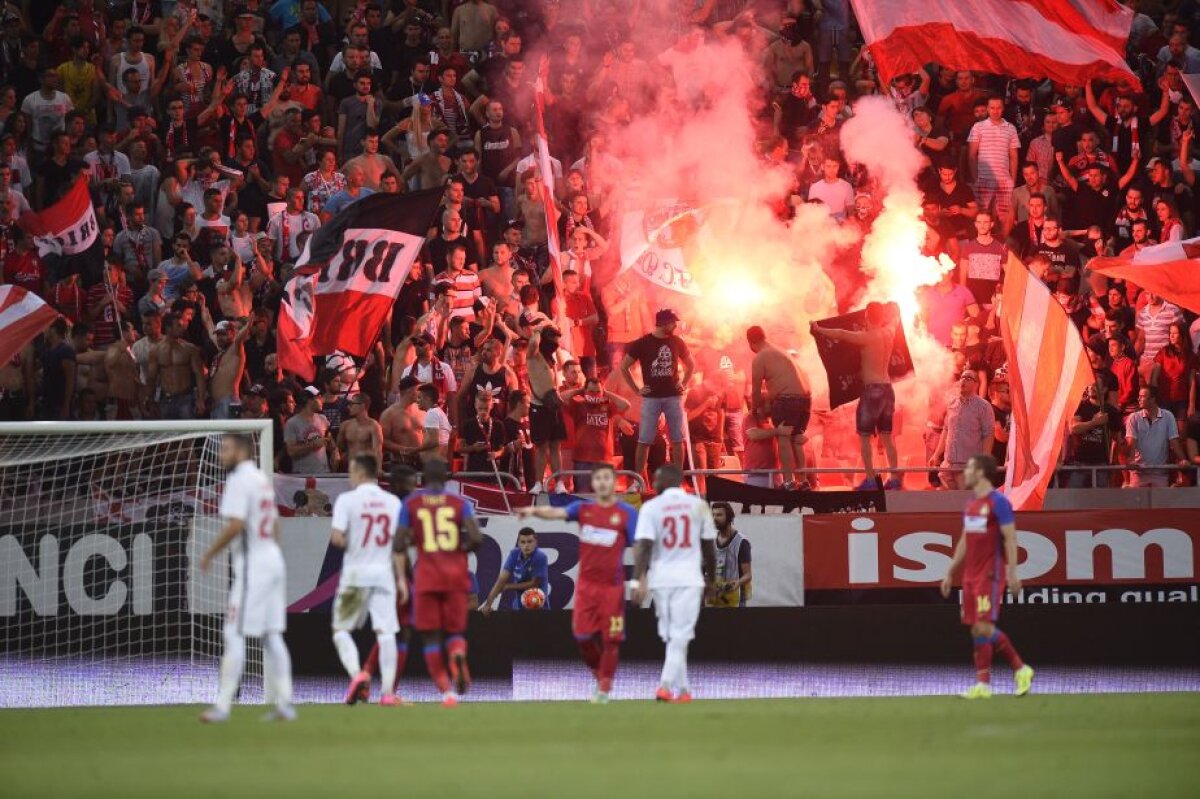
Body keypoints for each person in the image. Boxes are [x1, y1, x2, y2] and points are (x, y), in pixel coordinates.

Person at [518, 463, 638, 703]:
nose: (603, 483)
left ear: (614, 483)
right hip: (586, 586)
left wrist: (639, 579)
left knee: (610, 638)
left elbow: (641, 546)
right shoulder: (584, 509)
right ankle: (597, 673)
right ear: (593, 484)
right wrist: (532, 512)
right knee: (582, 635)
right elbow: (556, 513)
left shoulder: (626, 513)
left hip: (612, 588)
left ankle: (604, 687)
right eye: (599, 479)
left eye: (607, 478)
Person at [199, 433, 295, 722]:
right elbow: (274, 523)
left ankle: (222, 706)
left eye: (226, 449)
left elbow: (236, 524)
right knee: (271, 635)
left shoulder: (239, 479)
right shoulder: (261, 479)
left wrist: (209, 554)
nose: (221, 454)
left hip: (255, 566)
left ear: (240, 451)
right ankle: (285, 704)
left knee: (233, 632)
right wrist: (272, 554)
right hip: (272, 560)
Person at [938, 453, 1033, 700]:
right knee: (975, 630)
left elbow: (1011, 538)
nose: (965, 473)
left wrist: (1013, 572)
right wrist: (950, 571)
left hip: (991, 573)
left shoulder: (999, 502)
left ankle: (1021, 669)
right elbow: (965, 540)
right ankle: (983, 684)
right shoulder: (971, 504)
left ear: (980, 473)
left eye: (968, 468)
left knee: (983, 626)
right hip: (970, 575)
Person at [393, 458, 483, 707]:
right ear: (446, 479)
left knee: (430, 637)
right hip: (455, 575)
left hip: (427, 576)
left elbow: (398, 544)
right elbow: (477, 538)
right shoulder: (460, 503)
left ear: (422, 480)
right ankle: (457, 653)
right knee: (454, 631)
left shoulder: (411, 504)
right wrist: (460, 548)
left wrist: (416, 539)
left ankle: (447, 693)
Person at [631, 464, 717, 703]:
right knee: (680, 634)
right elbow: (709, 547)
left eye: (656, 479)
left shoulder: (650, 508)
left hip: (661, 579)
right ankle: (666, 686)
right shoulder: (698, 505)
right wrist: (712, 578)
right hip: (689, 578)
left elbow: (644, 546)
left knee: (672, 635)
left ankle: (684, 691)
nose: (654, 483)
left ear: (667, 480)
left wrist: (638, 580)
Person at [330, 454, 405, 706]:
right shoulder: (393, 502)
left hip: (355, 574)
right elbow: (398, 545)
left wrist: (356, 542)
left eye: (351, 471)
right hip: (383, 575)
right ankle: (386, 694)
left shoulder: (347, 501)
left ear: (360, 473)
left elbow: (337, 538)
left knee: (341, 631)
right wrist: (402, 579)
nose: (350, 476)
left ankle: (357, 675)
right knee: (386, 633)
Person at [811, 302, 901, 490]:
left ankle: (870, 480)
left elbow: (842, 334)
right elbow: (895, 320)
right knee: (886, 436)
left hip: (872, 390)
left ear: (867, 316)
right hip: (887, 389)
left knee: (865, 436)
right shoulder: (889, 332)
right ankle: (894, 478)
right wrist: (896, 311)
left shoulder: (867, 337)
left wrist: (819, 329)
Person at [621, 308, 693, 483]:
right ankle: (639, 481)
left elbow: (691, 365)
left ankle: (677, 480)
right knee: (644, 440)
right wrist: (637, 389)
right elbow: (624, 367)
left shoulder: (677, 342)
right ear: (662, 323)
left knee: (677, 438)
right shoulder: (642, 343)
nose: (675, 325)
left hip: (673, 396)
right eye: (672, 322)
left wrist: (683, 384)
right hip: (651, 398)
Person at [747, 325, 813, 491]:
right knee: (797, 440)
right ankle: (803, 481)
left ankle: (789, 482)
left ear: (751, 343)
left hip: (788, 399)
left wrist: (755, 411)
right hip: (805, 399)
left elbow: (755, 391)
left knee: (783, 437)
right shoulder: (781, 351)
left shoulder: (760, 357)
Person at [932, 371, 996, 489]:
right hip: (948, 464)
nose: (963, 380)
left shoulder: (983, 406)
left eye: (968, 378)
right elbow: (946, 430)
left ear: (976, 384)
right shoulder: (952, 404)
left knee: (964, 501)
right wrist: (936, 455)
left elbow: (988, 434)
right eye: (962, 377)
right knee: (948, 501)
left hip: (967, 465)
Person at [1125, 387, 1188, 488]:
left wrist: (1183, 459)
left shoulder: (1168, 416)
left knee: (1160, 503)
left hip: (1160, 473)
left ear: (1152, 399)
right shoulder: (1133, 417)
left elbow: (1174, 441)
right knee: (1136, 503)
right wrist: (1131, 460)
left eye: (1142, 396)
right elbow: (1131, 441)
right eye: (1139, 396)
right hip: (1138, 473)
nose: (1138, 399)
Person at [478, 527, 550, 613]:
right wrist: (488, 605)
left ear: (535, 543)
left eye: (529, 541)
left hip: (538, 605)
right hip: (519, 606)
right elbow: (500, 581)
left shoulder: (540, 557)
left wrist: (508, 586)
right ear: (518, 544)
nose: (526, 545)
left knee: (534, 598)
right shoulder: (513, 555)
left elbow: (534, 584)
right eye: (523, 542)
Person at [709, 502, 751, 608]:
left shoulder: (741, 542)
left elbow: (748, 575)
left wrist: (737, 583)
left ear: (729, 517)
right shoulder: (711, 540)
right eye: (713, 515)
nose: (715, 518)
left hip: (735, 602)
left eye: (719, 515)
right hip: (715, 600)